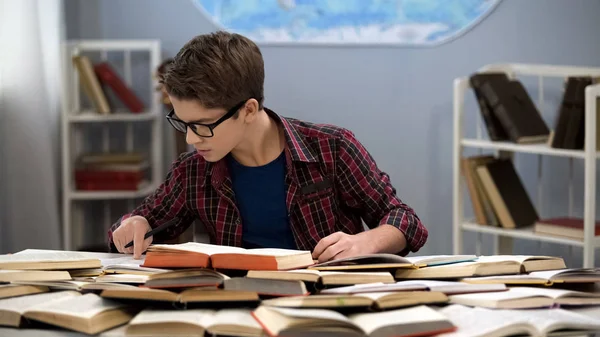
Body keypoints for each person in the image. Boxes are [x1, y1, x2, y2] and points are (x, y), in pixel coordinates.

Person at [108, 31, 428, 261]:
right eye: (182, 123)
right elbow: (137, 225)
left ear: (248, 110)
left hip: (330, 302)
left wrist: (368, 241)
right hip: (237, 309)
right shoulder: (193, 171)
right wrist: (133, 225)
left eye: (202, 126)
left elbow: (405, 220)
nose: (191, 139)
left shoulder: (333, 148)